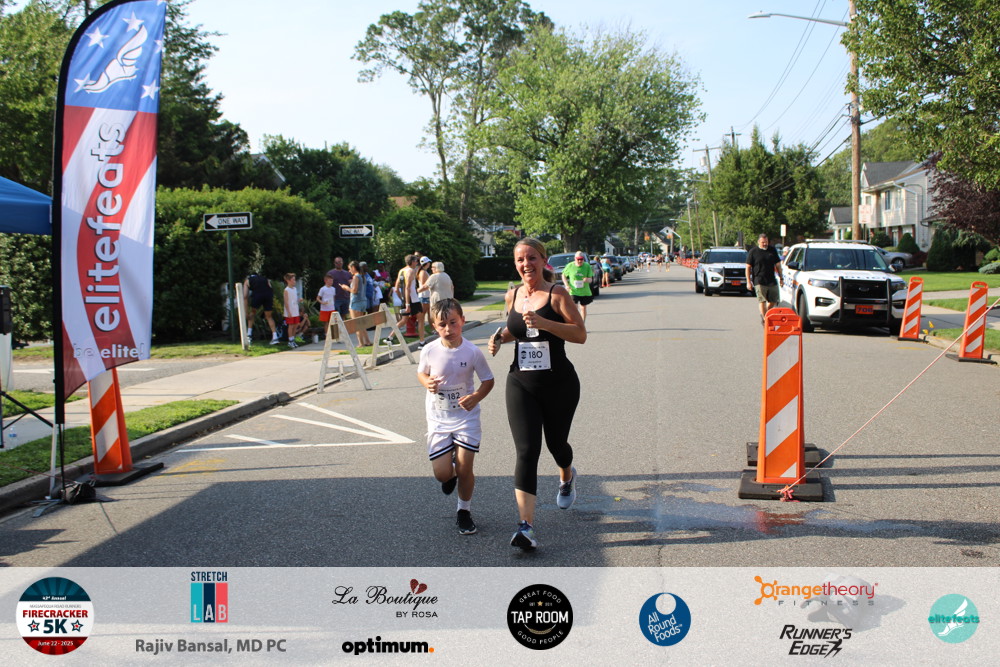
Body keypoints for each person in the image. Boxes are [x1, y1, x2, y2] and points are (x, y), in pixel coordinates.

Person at [487, 238, 587, 551]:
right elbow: (515, 329)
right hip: (521, 382)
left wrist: (544, 322)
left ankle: (566, 476)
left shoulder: (557, 294)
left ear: (544, 261)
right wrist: (498, 339)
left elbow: (580, 334)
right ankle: (526, 526)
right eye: (520, 259)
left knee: (557, 445)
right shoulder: (513, 294)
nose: (526, 264)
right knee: (527, 451)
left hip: (559, 383)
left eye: (532, 258)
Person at [417, 299, 495, 536]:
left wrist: (476, 397)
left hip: (465, 418)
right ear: (434, 326)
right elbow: (421, 373)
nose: (448, 329)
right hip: (439, 417)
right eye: (442, 325)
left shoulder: (472, 351)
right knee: (442, 474)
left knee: (465, 467)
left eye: (453, 322)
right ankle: (449, 472)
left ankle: (464, 511)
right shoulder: (429, 350)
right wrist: (427, 383)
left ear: (462, 320)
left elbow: (488, 380)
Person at [746, 233, 785, 324]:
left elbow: (778, 265)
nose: (765, 244)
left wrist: (781, 278)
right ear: (758, 242)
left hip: (771, 279)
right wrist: (748, 281)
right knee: (762, 300)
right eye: (763, 242)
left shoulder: (772, 250)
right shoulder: (753, 251)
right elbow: (748, 267)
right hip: (759, 280)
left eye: (766, 242)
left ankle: (766, 313)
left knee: (773, 301)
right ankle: (765, 320)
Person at [339, 261, 371, 347]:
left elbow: (354, 290)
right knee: (361, 323)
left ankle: (361, 343)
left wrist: (346, 288)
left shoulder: (356, 277)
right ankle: (367, 341)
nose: (349, 271)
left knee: (356, 324)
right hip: (363, 301)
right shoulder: (362, 276)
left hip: (356, 302)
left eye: (350, 269)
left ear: (353, 268)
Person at [244, 271, 280, 345]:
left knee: (252, 313)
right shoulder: (264, 278)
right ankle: (275, 337)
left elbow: (245, 296)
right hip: (268, 295)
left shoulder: (247, 280)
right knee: (269, 316)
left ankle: (249, 335)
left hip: (257, 295)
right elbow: (270, 288)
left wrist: (246, 312)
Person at [561, 251, 594, 321]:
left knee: (583, 308)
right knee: (574, 308)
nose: (580, 261)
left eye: (581, 259)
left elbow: (590, 279)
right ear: (575, 258)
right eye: (578, 259)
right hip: (573, 291)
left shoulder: (587, 266)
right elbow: (563, 275)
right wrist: (566, 285)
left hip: (584, 291)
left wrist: (587, 279)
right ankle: (576, 323)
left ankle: (582, 323)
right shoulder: (570, 266)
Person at [282, 273, 308, 348]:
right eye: (293, 280)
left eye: (294, 280)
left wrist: (299, 300)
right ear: (288, 280)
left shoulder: (294, 289)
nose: (294, 281)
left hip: (295, 310)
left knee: (296, 325)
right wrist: (288, 312)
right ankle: (290, 341)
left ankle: (293, 339)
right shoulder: (286, 290)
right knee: (291, 325)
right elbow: (286, 302)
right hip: (290, 311)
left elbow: (294, 300)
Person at [326, 256, 351, 322]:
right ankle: (336, 327)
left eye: (340, 262)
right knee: (336, 316)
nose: (338, 264)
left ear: (342, 263)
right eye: (337, 262)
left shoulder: (347, 273)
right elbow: (327, 285)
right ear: (334, 263)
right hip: (335, 298)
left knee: (344, 316)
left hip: (345, 297)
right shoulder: (330, 273)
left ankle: (343, 327)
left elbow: (351, 284)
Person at [416, 257, 433, 348]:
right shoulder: (423, 272)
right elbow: (423, 285)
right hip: (424, 296)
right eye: (429, 262)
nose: (429, 264)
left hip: (425, 296)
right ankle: (422, 338)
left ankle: (424, 335)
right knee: (422, 317)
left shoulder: (423, 271)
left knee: (426, 315)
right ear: (427, 263)